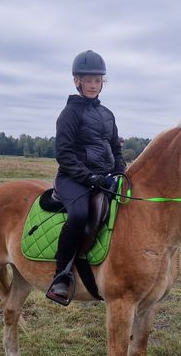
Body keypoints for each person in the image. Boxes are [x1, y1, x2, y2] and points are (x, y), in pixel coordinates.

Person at [46, 49, 126, 305]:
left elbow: (115, 149)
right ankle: (62, 275)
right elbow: (65, 154)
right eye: (88, 80)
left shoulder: (107, 114)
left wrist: (122, 172)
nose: (93, 85)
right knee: (79, 214)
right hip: (73, 179)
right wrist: (91, 178)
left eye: (98, 80)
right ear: (77, 81)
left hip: (104, 177)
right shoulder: (69, 113)